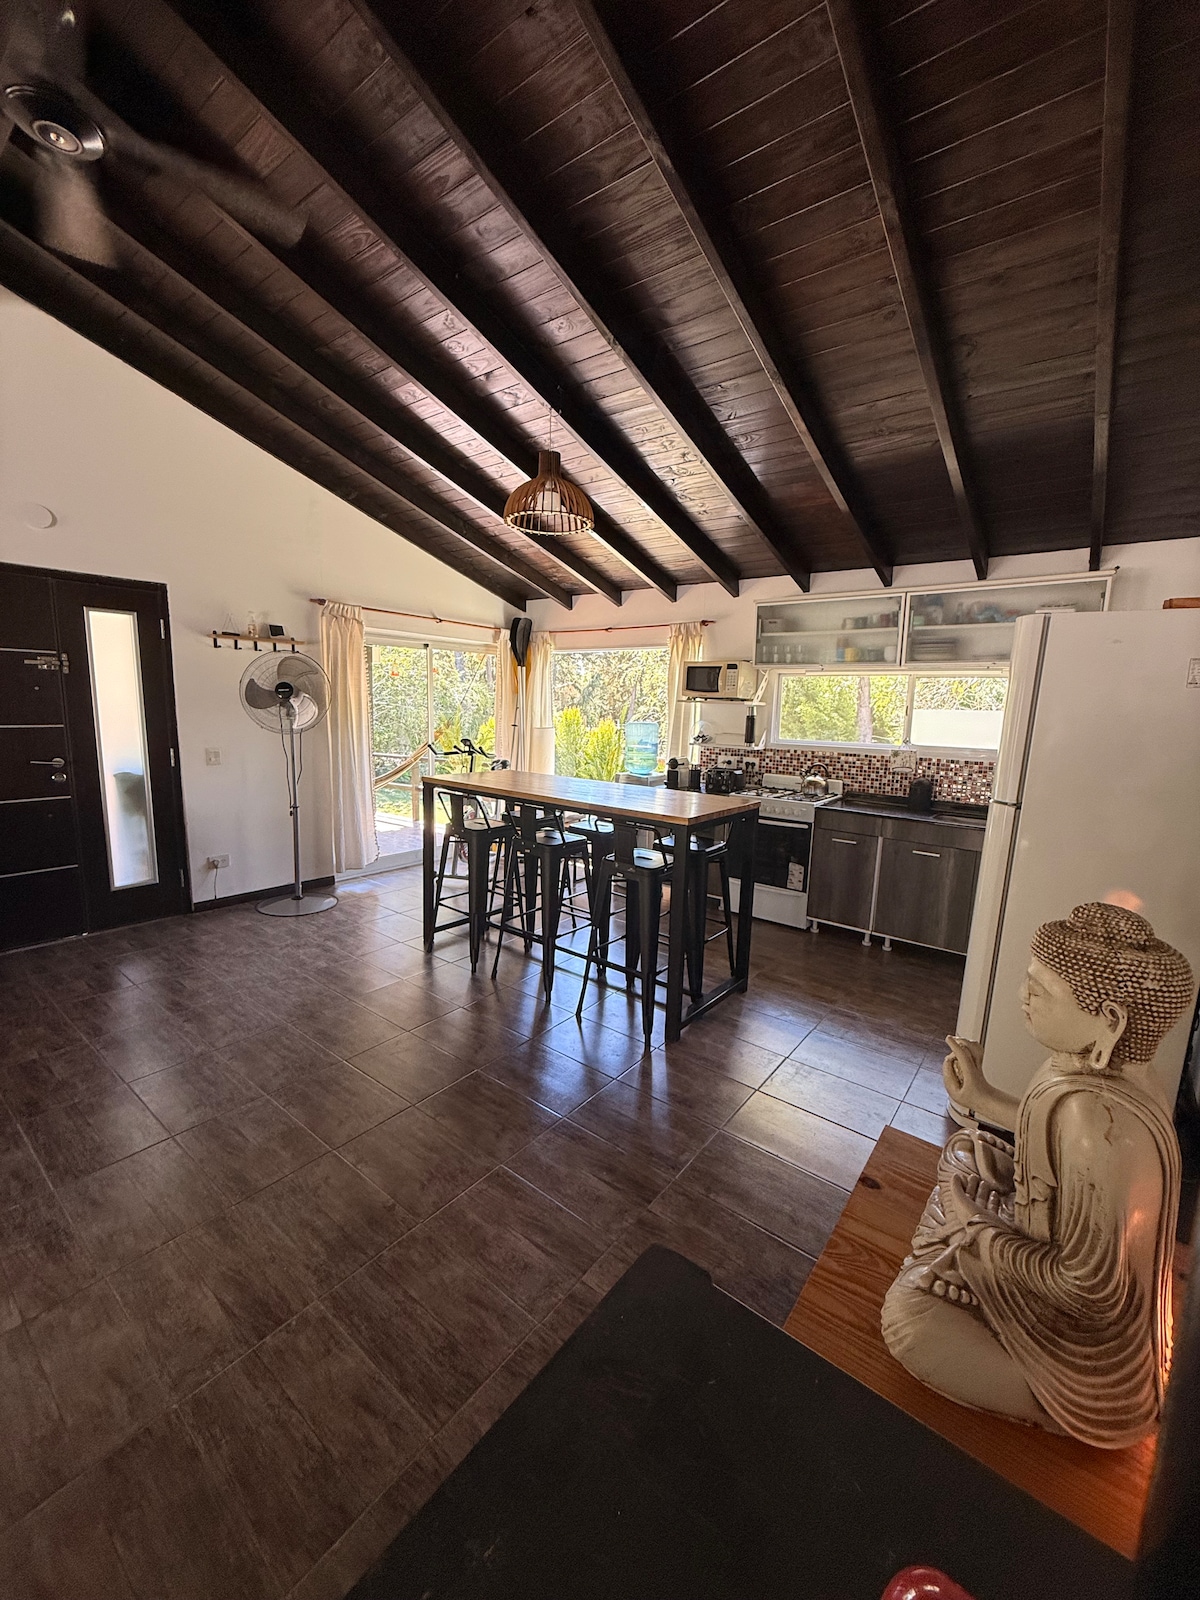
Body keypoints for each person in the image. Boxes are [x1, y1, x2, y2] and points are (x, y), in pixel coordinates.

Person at [881, 903, 1193, 1447]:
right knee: (967, 1149)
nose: (1023, 995)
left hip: (1084, 1344)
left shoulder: (1098, 1123)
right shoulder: (1104, 1074)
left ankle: (1053, 1403)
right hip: (1042, 1240)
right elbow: (1042, 1135)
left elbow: (1089, 1292)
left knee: (910, 1319)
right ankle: (955, 1242)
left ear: (1110, 1021)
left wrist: (976, 1226)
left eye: (1041, 990)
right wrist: (982, 1099)